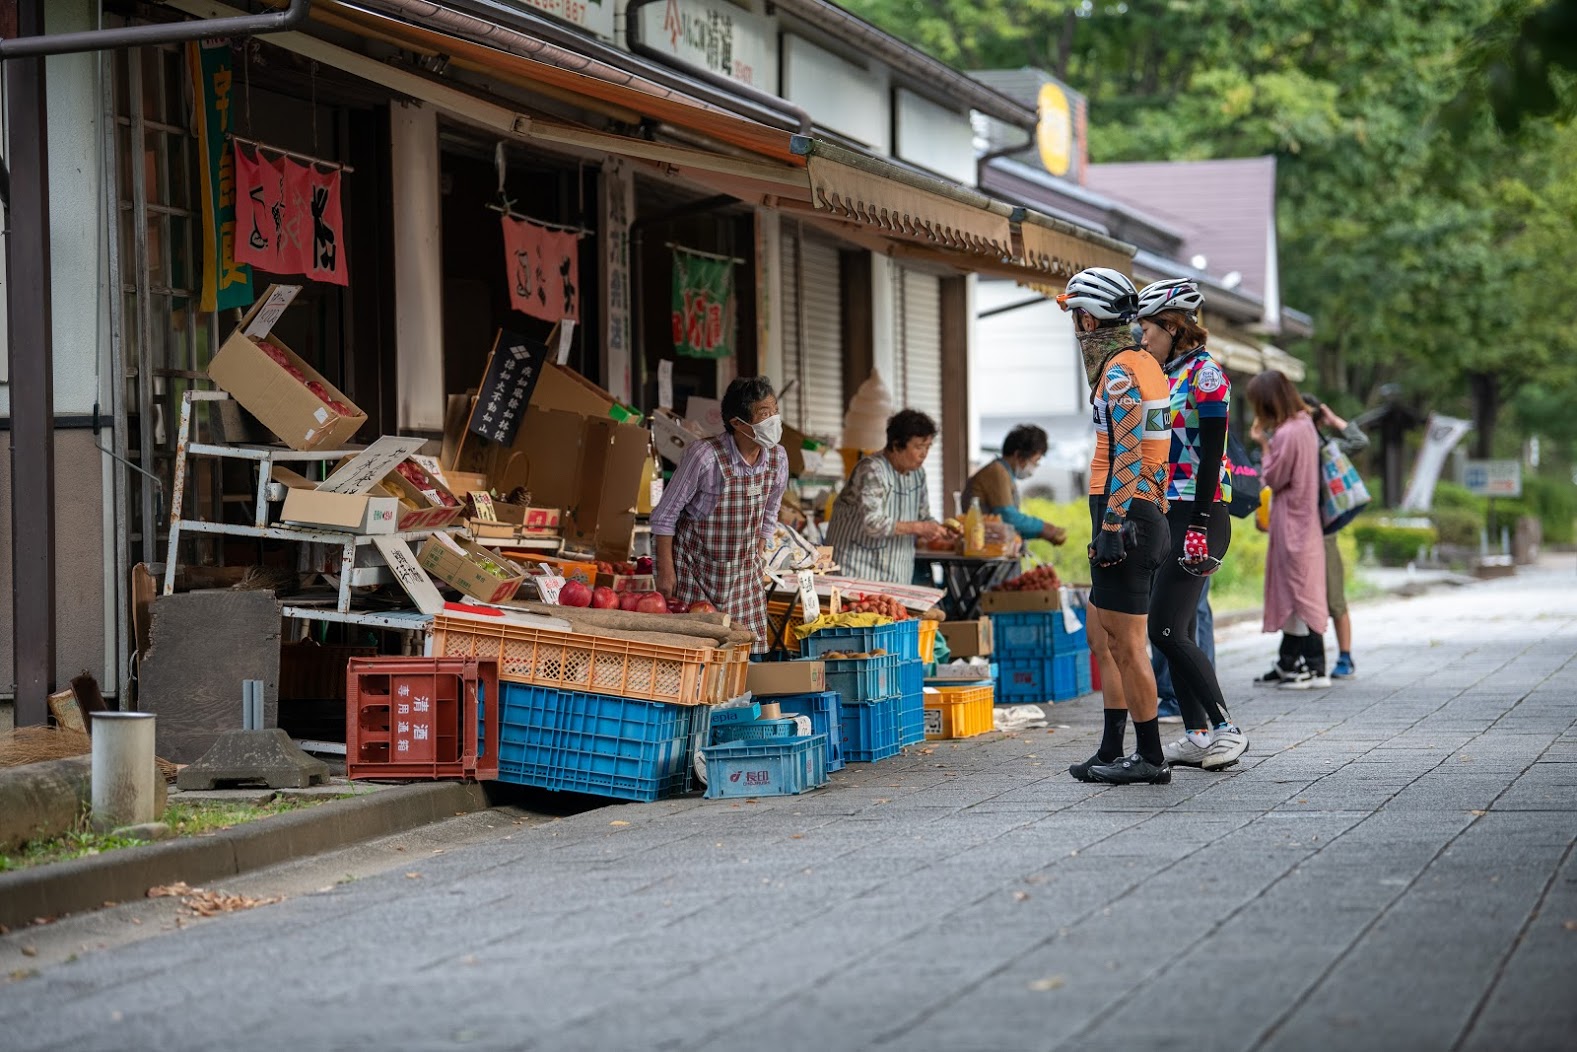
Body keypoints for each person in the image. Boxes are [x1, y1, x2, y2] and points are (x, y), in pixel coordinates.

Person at [1056, 267, 1174, 786]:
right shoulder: (1145, 362)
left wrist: (1113, 521)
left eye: (1077, 318)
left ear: (1088, 317)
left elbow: (1127, 452)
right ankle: (1111, 747)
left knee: (1127, 646)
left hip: (1126, 515)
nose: (1076, 329)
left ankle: (1150, 757)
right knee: (1104, 633)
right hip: (1141, 511)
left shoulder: (1120, 372)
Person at [1135, 278, 1247, 771]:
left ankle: (1225, 729)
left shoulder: (1206, 376)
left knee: (1164, 628)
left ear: (1174, 327)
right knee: (1171, 628)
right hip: (1168, 511)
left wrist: (1199, 523)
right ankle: (1198, 735)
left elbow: (1210, 459)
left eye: (1148, 328)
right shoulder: (1166, 375)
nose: (1142, 337)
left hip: (1201, 510)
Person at [651, 376, 788, 654]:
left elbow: (771, 507)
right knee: (697, 655)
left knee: (743, 657)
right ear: (737, 423)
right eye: (764, 414)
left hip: (743, 578)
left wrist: (761, 544)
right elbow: (664, 516)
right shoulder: (705, 456)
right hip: (696, 573)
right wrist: (666, 571)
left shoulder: (778, 458)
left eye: (775, 411)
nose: (774, 419)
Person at [1247, 370, 1329, 688]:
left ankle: (1312, 667)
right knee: (1301, 589)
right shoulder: (1305, 424)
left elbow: (1273, 477)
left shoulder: (1286, 433)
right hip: (1305, 518)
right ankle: (1293, 662)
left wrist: (1263, 445)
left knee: (1298, 592)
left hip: (1291, 520)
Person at [826, 409, 950, 583]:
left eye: (928, 447)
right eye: (918, 447)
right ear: (897, 444)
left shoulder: (918, 474)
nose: (924, 454)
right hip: (855, 570)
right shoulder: (872, 470)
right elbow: (873, 523)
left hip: (896, 572)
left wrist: (940, 530)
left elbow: (923, 517)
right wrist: (920, 528)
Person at [1303, 393, 1369, 679]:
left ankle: (1345, 656)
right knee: (1301, 596)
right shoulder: (1291, 443)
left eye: (1309, 416)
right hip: (1299, 528)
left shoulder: (1328, 446)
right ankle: (1301, 658)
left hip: (1324, 529)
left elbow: (1360, 442)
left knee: (1334, 597)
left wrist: (1332, 420)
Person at [962, 425, 1068, 546]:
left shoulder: (1004, 473)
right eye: (1035, 461)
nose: (1035, 467)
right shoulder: (997, 472)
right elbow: (1008, 518)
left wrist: (1039, 532)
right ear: (1018, 455)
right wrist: (1042, 527)